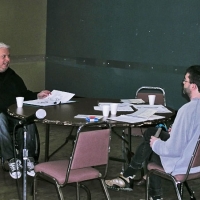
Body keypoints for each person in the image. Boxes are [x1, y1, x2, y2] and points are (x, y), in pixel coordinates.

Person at [105, 65, 200, 200]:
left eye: (185, 80)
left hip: (183, 165)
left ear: (193, 86)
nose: (182, 83)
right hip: (197, 163)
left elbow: (174, 150)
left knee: (152, 145)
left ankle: (143, 187)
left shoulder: (186, 110)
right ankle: (129, 177)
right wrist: (174, 133)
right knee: (153, 132)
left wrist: (157, 144)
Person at [0, 42, 51, 179]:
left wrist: (37, 95)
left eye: (8, 56)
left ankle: (28, 158)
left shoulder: (11, 76)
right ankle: (11, 160)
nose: (7, 60)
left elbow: (23, 94)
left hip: (13, 115)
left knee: (27, 117)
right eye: (3, 56)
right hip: (1, 118)